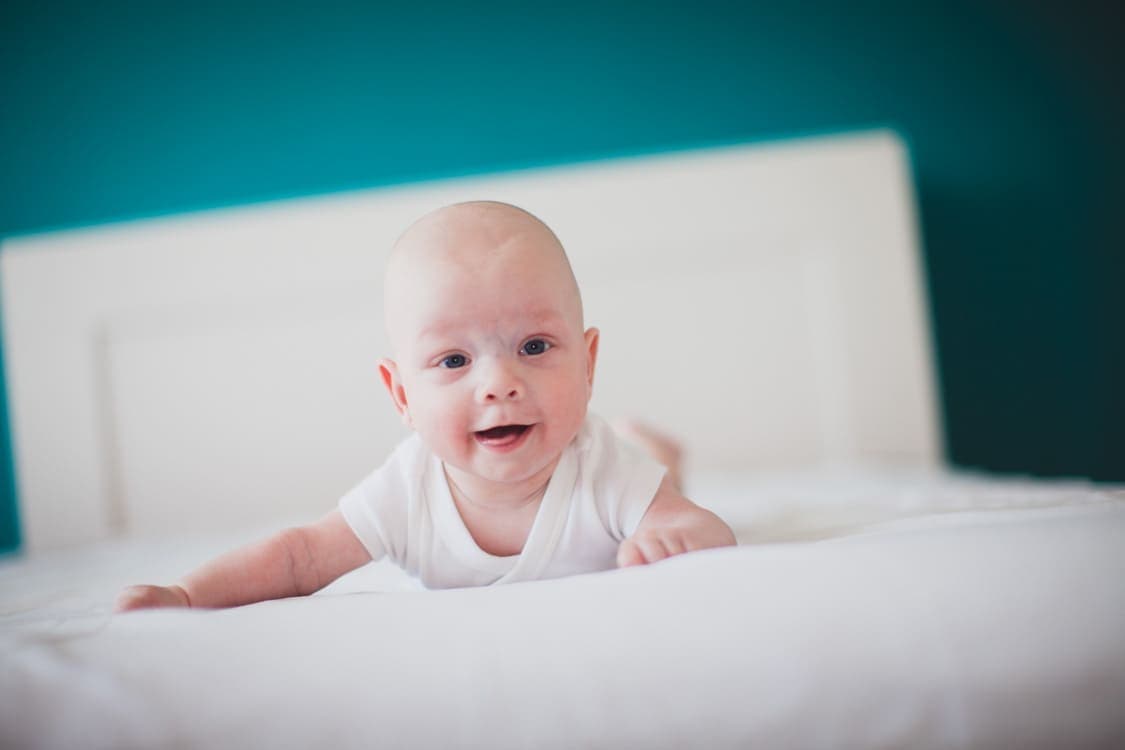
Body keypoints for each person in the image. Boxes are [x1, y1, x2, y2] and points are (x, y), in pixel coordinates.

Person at [115, 201, 735, 612]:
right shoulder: (405, 491)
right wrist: (187, 596)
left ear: (589, 363)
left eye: (535, 346)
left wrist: (669, 534)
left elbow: (704, 528)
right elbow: (299, 557)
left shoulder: (601, 468)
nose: (499, 383)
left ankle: (658, 452)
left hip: (626, 460)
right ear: (402, 396)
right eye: (454, 361)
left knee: (653, 474)